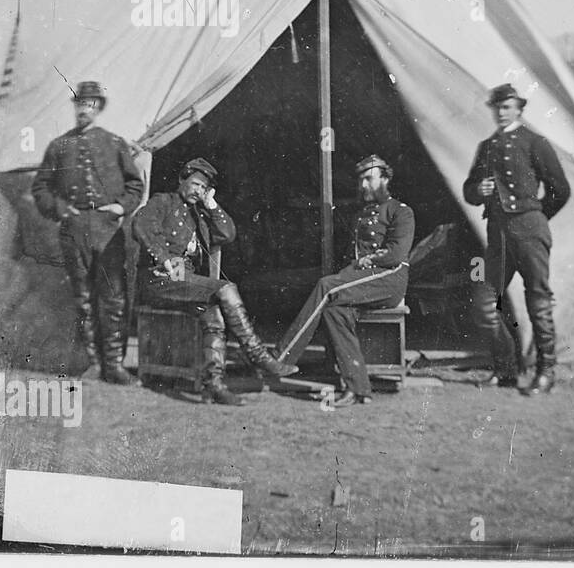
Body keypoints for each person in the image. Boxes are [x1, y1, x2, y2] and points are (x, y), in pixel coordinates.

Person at [132, 158, 298, 406]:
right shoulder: (163, 201)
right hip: (160, 279)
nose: (197, 191)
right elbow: (142, 225)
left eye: (202, 188)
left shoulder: (200, 215)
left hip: (186, 284)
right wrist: (165, 259)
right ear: (182, 180)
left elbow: (227, 234)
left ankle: (214, 385)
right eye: (195, 184)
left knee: (215, 317)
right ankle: (258, 355)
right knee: (226, 288)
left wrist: (211, 204)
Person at [277, 156, 416, 407]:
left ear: (385, 179)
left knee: (326, 285)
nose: (363, 185)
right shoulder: (361, 214)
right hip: (363, 281)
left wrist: (366, 262)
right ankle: (358, 389)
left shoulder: (401, 211)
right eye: (361, 179)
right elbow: (351, 254)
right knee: (334, 311)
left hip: (389, 278)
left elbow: (396, 254)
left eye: (369, 178)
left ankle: (282, 357)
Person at [31, 81, 144, 383]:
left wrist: (120, 208)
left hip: (108, 231)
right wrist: (59, 208)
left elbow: (135, 184)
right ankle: (93, 364)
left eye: (91, 104)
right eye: (81, 103)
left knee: (113, 297)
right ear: (75, 106)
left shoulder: (115, 143)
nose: (85, 109)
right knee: (83, 298)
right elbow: (40, 188)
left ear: (99, 109)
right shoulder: (58, 146)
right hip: (74, 229)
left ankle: (115, 366)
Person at [464, 83, 570, 395]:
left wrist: (535, 217)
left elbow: (560, 190)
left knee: (537, 302)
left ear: (519, 109)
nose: (502, 112)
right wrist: (477, 191)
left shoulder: (535, 142)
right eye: (497, 106)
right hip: (497, 236)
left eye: (508, 106)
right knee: (485, 303)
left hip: (529, 232)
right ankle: (507, 369)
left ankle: (546, 371)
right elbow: (469, 189)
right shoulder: (485, 147)